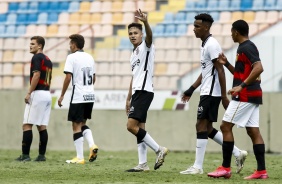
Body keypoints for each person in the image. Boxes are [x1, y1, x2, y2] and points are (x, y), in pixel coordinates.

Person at [179, 14, 247, 175]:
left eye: (197, 26)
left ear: (206, 27)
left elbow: (220, 70)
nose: (194, 29)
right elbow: (206, 71)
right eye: (194, 25)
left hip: (211, 93)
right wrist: (191, 88)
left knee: (200, 126)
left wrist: (223, 96)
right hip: (207, 91)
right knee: (207, 128)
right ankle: (237, 153)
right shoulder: (205, 44)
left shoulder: (212, 45)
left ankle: (198, 166)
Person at [208, 20, 268, 180]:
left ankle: (225, 168)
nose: (230, 34)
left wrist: (241, 87)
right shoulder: (244, 48)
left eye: (231, 31)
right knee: (253, 131)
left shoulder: (247, 47)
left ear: (236, 32)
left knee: (225, 126)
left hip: (245, 95)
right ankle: (261, 171)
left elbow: (259, 68)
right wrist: (227, 63)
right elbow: (243, 74)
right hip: (253, 95)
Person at [125, 9, 168, 172]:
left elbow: (150, 36)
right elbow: (133, 76)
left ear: (141, 35)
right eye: (130, 33)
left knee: (130, 126)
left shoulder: (146, 46)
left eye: (135, 33)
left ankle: (159, 150)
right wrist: (128, 98)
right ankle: (142, 164)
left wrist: (146, 23)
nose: (132, 35)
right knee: (140, 128)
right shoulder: (133, 54)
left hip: (144, 91)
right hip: (137, 91)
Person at [58, 34, 98, 164]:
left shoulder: (71, 57)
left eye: (70, 44)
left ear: (74, 44)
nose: (69, 46)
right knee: (83, 124)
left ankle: (80, 157)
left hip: (78, 96)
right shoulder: (90, 57)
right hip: (90, 95)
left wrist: (62, 95)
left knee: (76, 126)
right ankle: (92, 145)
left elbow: (68, 78)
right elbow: (94, 78)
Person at [15, 36, 52, 162]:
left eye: (32, 44)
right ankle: (41, 156)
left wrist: (29, 92)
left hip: (38, 93)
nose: (30, 46)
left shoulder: (37, 57)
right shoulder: (48, 59)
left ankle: (25, 156)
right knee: (42, 126)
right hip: (47, 94)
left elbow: (36, 75)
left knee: (26, 125)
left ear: (40, 46)